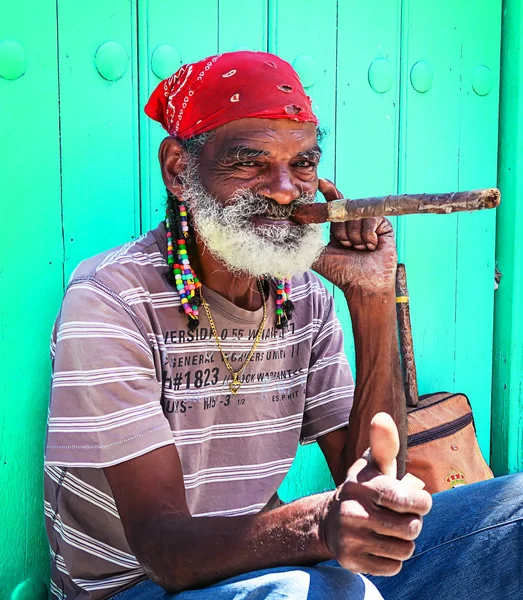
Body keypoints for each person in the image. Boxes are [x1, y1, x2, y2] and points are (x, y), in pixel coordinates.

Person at [44, 51, 522, 600]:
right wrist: (320, 526)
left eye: (303, 164)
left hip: (273, 565)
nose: (285, 189)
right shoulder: (111, 300)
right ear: (179, 169)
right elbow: (163, 551)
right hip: (142, 587)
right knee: (311, 593)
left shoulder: (303, 298)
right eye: (250, 163)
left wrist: (370, 297)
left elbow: (362, 469)